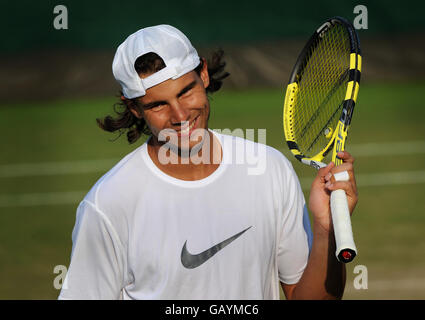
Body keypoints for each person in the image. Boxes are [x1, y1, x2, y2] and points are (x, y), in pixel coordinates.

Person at [58, 24, 358, 300]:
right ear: (134, 108)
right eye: (158, 104)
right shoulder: (108, 203)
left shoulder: (270, 170)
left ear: (202, 74)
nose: (179, 116)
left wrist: (324, 230)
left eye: (185, 91)